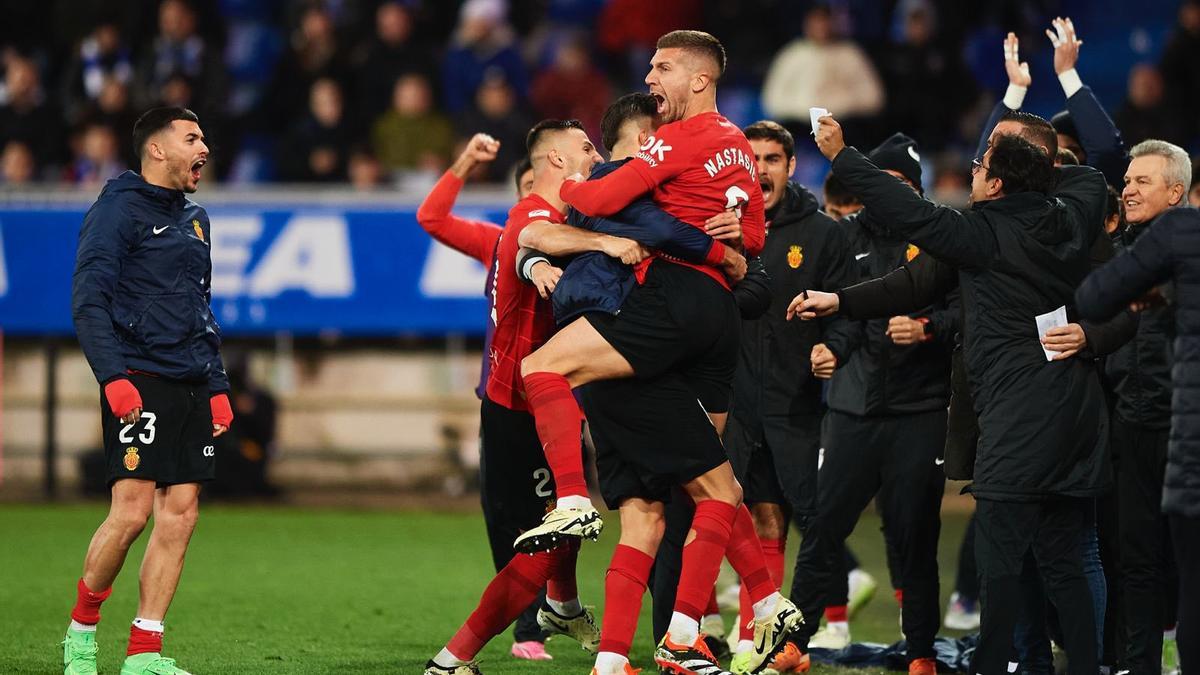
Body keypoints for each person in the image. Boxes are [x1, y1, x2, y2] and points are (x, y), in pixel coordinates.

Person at [515, 31, 800, 675]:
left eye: (663, 67)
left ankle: (571, 502)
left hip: (651, 325)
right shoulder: (728, 149)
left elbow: (589, 205)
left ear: (699, 80)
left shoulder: (662, 151)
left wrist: (583, 194)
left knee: (544, 369)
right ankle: (666, 641)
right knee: (701, 495)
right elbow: (749, 238)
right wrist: (719, 248)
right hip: (700, 326)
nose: (651, 76)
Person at [798, 112, 1109, 675]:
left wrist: (844, 154)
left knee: (999, 565)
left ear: (997, 184)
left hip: (1017, 419)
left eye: (983, 164)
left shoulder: (980, 232)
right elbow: (913, 283)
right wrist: (841, 301)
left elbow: (905, 211)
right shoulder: (1077, 209)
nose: (973, 170)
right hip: (1078, 410)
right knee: (1067, 558)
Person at [423, 120, 635, 675]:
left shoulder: (559, 218)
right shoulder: (530, 219)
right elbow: (526, 243)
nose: (596, 154)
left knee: (565, 518)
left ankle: (561, 606)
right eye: (586, 147)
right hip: (520, 407)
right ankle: (458, 656)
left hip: (529, 400)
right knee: (542, 539)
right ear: (557, 163)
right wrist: (592, 247)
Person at [64, 106, 233, 675]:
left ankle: (144, 653)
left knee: (180, 514)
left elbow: (199, 307)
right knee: (131, 513)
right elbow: (89, 300)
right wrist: (112, 377)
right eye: (192, 136)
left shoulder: (196, 219)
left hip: (189, 381)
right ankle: (81, 635)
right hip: (138, 377)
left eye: (204, 136)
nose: (204, 146)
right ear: (156, 149)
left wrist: (217, 385)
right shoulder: (116, 211)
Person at [788, 133, 955, 675]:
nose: (895, 194)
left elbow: (966, 313)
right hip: (852, 410)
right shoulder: (842, 239)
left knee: (915, 534)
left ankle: (922, 652)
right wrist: (825, 348)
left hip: (919, 411)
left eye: (905, 185)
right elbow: (833, 314)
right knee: (823, 529)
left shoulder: (940, 240)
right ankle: (796, 642)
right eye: (886, 183)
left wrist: (929, 328)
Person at [720, 119, 857, 665]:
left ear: (791, 166)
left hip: (796, 404)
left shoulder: (824, 235)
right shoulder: (719, 229)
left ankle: (801, 633)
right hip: (733, 404)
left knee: (816, 522)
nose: (758, 171)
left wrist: (834, 349)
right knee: (752, 514)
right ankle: (755, 626)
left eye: (771, 159)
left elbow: (848, 310)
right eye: (748, 159)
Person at [416, 134, 555, 662]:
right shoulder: (501, 241)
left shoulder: (574, 240)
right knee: (501, 514)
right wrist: (465, 163)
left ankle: (555, 607)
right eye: (524, 190)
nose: (532, 200)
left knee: (554, 515)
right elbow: (431, 218)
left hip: (555, 403)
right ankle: (526, 619)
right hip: (499, 401)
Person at [1074, 160, 1199, 675]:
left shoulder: (1174, 240)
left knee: (1183, 570)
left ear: (1179, 193)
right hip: (1134, 419)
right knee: (1137, 558)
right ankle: (1138, 663)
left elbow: (1094, 299)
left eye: (1141, 181)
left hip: (1181, 426)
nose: (1127, 189)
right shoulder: (1126, 248)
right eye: (1125, 180)